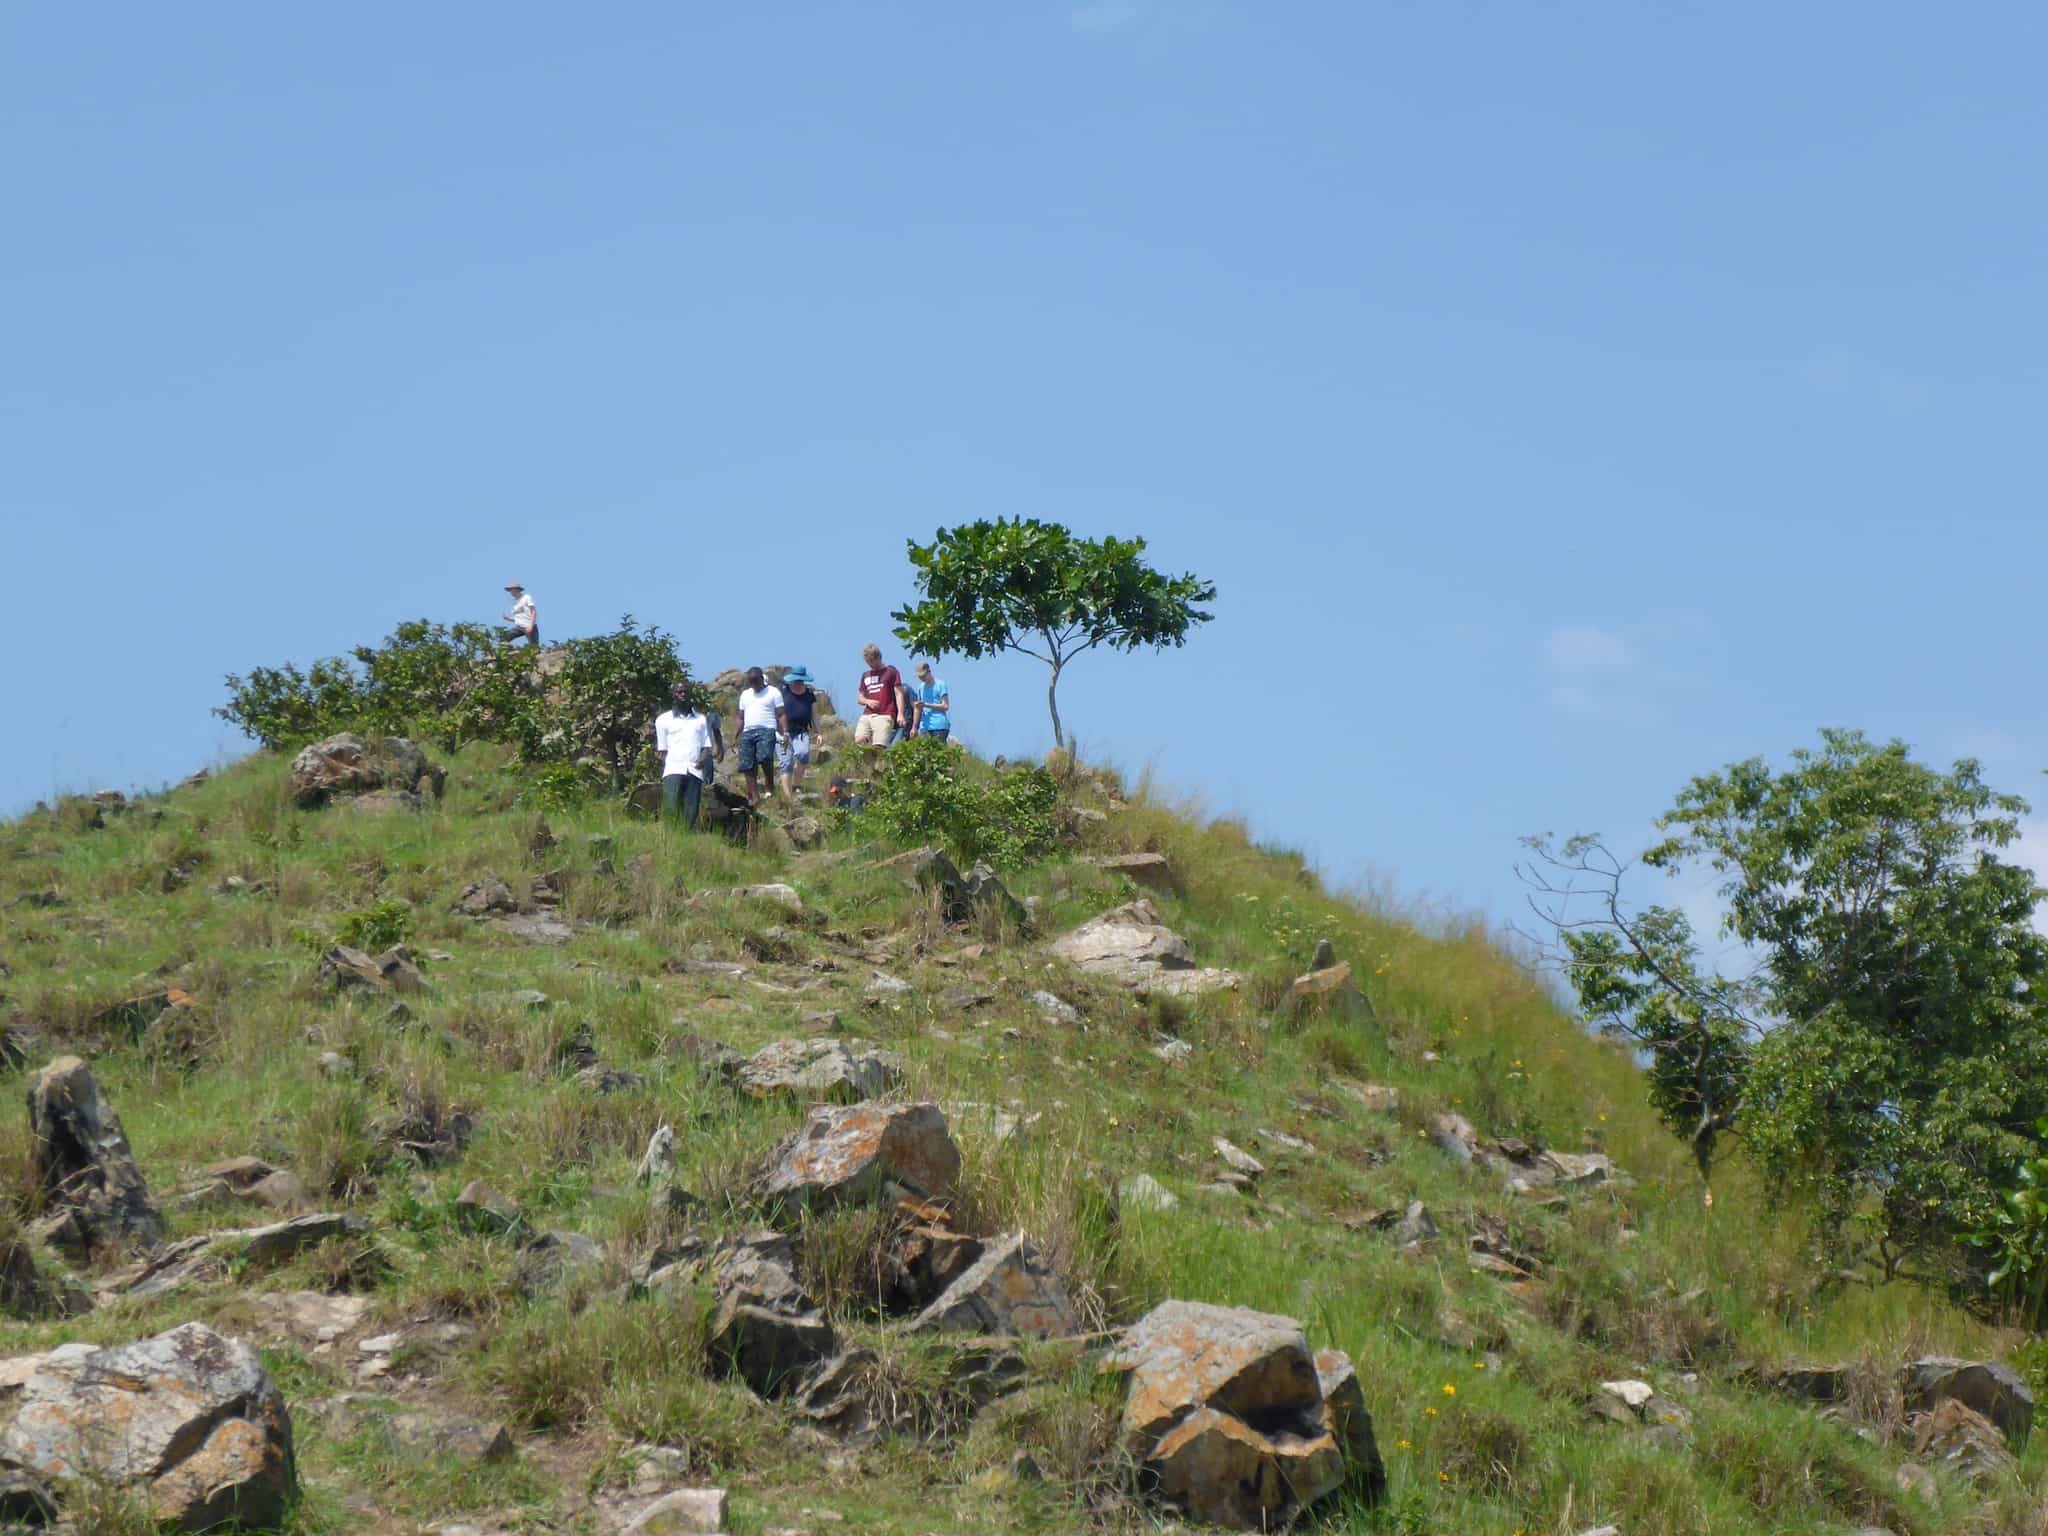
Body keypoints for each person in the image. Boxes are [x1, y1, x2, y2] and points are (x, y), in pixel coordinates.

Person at [653, 682, 721, 829]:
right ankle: (671, 840)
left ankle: (687, 838)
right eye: (679, 692)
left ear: (690, 694)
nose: (683, 694)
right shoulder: (663, 720)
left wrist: (702, 760)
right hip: (673, 769)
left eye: (685, 691)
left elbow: (707, 746)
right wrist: (671, 762)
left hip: (694, 770)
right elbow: (662, 749)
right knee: (671, 808)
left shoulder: (701, 719)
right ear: (673, 695)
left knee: (691, 811)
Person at [734, 667, 788, 806]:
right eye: (751, 682)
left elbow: (781, 714)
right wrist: (736, 735)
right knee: (747, 764)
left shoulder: (773, 692)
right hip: (748, 731)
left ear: (761, 679)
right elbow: (741, 717)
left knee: (764, 757)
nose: (754, 685)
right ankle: (754, 796)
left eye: (756, 681)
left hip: (767, 729)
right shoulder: (745, 695)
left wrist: (785, 732)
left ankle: (769, 785)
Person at [779, 665, 821, 799]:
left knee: (803, 755)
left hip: (801, 731)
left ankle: (796, 784)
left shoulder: (809, 695)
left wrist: (819, 732)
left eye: (801, 680)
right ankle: (787, 797)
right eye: (796, 680)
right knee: (786, 762)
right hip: (783, 732)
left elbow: (814, 716)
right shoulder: (783, 692)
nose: (799, 683)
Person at [854, 644, 906, 749]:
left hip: (885, 714)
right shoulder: (865, 675)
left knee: (878, 747)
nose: (870, 664)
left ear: (878, 657)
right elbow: (860, 698)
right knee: (859, 741)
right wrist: (868, 701)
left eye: (872, 661)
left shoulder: (891, 672)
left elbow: (899, 693)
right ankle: (868, 760)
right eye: (867, 662)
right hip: (867, 714)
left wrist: (900, 714)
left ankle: (878, 763)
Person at [909, 661, 951, 743]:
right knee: (925, 753)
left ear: (929, 672)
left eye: (923, 676)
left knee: (939, 753)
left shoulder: (940, 684)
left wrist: (926, 705)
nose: (921, 678)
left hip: (939, 726)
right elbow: (918, 708)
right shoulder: (920, 687)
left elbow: (945, 706)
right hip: (924, 726)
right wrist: (914, 727)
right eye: (919, 677)